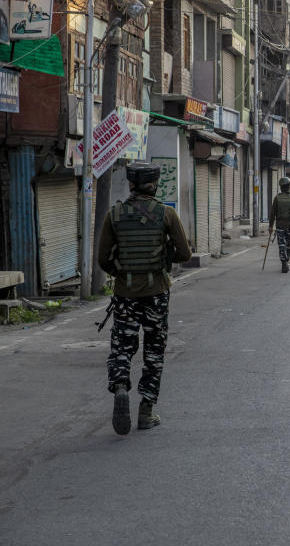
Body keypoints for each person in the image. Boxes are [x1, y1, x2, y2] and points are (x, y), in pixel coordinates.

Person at [98, 161, 192, 435]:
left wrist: (122, 273)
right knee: (153, 352)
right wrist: (164, 256)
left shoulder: (114, 215)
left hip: (125, 295)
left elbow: (103, 259)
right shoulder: (166, 214)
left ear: (131, 184)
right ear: (155, 184)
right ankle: (146, 411)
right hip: (156, 295)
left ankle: (119, 388)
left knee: (122, 347)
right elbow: (185, 254)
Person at [269, 176, 290, 273]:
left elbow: (272, 214)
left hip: (280, 225)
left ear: (281, 187)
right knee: (288, 244)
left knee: (281, 244)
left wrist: (270, 226)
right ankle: (286, 260)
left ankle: (284, 263)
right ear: (289, 186)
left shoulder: (277, 198)